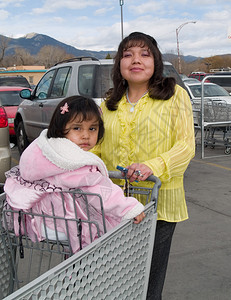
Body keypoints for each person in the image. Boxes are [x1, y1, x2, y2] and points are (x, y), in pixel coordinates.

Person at [91, 32, 195, 299]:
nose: (136, 60)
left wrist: (153, 166)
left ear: (155, 62)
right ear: (119, 64)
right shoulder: (109, 104)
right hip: (114, 205)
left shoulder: (175, 96)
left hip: (157, 204)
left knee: (148, 282)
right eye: (128, 54)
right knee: (115, 278)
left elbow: (185, 146)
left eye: (144, 54)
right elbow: (95, 148)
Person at [4, 96, 145, 253]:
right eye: (77, 128)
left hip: (38, 218)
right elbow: (100, 191)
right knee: (106, 226)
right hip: (61, 223)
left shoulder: (44, 149)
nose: (85, 135)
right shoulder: (73, 162)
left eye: (92, 129)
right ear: (60, 128)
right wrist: (129, 208)